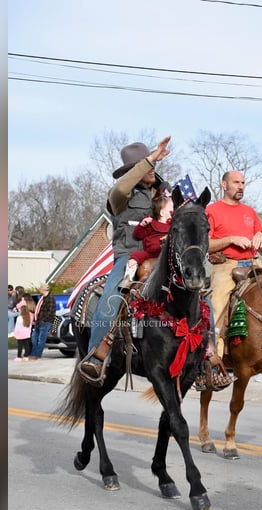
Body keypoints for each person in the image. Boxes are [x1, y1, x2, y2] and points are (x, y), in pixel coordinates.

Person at [79, 137, 173, 379]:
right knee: (110, 298)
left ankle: (207, 358)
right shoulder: (120, 196)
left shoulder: (166, 192)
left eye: (152, 164)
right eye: (146, 165)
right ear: (134, 170)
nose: (153, 168)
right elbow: (120, 188)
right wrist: (150, 159)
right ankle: (96, 357)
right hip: (130, 257)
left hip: (163, 258)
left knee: (199, 293)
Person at [206, 170, 262, 358]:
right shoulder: (212, 210)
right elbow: (205, 244)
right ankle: (213, 356)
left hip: (255, 262)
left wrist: (260, 236)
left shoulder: (250, 212)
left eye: (243, 183)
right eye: (236, 182)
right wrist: (231, 239)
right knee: (216, 305)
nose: (241, 186)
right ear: (224, 185)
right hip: (226, 265)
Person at [118, 189, 174, 291]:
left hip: (166, 254)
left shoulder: (173, 227)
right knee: (135, 256)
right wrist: (142, 225)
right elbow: (138, 234)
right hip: (150, 253)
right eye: (172, 207)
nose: (174, 210)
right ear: (162, 212)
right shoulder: (151, 223)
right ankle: (128, 278)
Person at [27, 283, 55, 361]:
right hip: (38, 322)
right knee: (34, 338)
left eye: (40, 289)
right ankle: (33, 354)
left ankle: (37, 355)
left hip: (44, 322)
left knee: (41, 339)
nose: (39, 290)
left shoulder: (50, 298)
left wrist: (43, 320)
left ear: (43, 289)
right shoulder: (42, 298)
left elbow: (51, 312)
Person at [13, 294, 34, 361]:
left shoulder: (19, 317)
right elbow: (30, 325)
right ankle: (26, 356)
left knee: (20, 346)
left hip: (20, 335)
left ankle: (19, 356)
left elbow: (17, 327)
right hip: (27, 334)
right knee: (27, 345)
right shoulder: (29, 317)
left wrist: (15, 334)